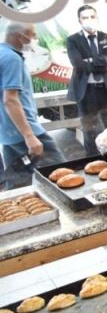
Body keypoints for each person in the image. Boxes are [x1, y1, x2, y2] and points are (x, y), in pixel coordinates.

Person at [0, 23, 65, 189]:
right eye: (32, 35)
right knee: (62, 175)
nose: (35, 39)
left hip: (9, 133)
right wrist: (29, 136)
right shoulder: (12, 59)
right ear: (20, 36)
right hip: (25, 131)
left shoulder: (2, 53)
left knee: (18, 186)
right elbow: (10, 100)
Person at [66, 5, 107, 156]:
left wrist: (90, 60)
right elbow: (78, 64)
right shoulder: (73, 40)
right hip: (86, 92)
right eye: (85, 17)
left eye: (92, 16)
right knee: (90, 129)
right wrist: (104, 62)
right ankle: (93, 160)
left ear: (97, 18)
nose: (89, 20)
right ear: (79, 20)